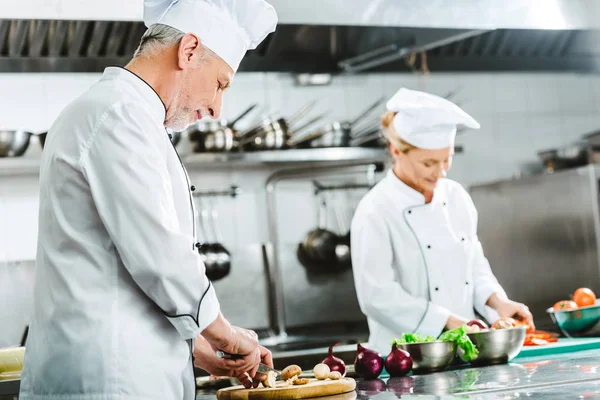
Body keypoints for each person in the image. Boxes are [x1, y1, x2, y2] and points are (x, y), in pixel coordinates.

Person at [19, 1, 277, 399]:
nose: (216, 108)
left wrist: (197, 347)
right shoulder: (119, 115)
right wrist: (225, 334)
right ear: (189, 50)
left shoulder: (126, 114)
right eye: (220, 84)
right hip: (110, 382)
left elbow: (117, 273)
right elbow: (161, 257)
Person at [350, 88, 535, 354]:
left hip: (460, 351)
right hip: (403, 360)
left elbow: (473, 264)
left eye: (446, 159)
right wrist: (448, 322)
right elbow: (377, 296)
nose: (441, 171)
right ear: (397, 151)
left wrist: (497, 302)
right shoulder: (375, 210)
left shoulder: (456, 196)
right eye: (428, 163)